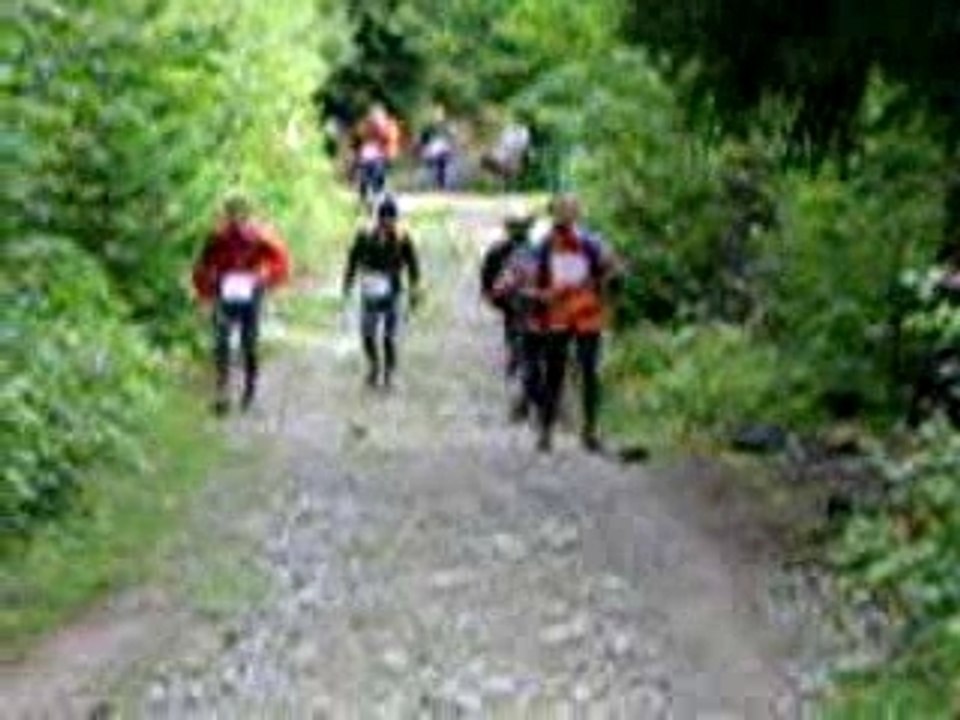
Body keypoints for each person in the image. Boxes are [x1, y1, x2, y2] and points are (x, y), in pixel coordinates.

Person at [529, 193, 620, 452]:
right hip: (557, 315)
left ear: (578, 213)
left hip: (587, 316)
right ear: (555, 214)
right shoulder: (545, 243)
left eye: (571, 210)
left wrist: (602, 290)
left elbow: (612, 270)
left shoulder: (591, 242)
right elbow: (534, 277)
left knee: (589, 372)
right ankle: (546, 431)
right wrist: (537, 304)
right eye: (562, 210)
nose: (567, 214)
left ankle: (590, 430)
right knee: (554, 372)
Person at [192, 195, 291, 415]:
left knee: (249, 344)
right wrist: (205, 289)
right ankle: (222, 391)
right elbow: (202, 264)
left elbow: (280, 261)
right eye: (232, 214)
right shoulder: (217, 237)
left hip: (250, 294)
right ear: (226, 216)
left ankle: (250, 388)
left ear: (248, 215)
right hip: (225, 293)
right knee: (221, 341)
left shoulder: (260, 236)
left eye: (241, 215)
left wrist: (264, 275)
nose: (236, 219)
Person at [342, 196, 421, 389]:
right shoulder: (365, 235)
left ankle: (389, 372)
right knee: (367, 333)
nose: (387, 222)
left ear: (395, 218)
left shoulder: (403, 238)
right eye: (384, 218)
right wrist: (348, 282)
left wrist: (414, 289)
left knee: (389, 336)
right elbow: (353, 259)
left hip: (393, 291)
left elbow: (413, 265)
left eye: (391, 218)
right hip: (370, 290)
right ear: (378, 218)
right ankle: (373, 364)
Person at [481, 206, 537, 418]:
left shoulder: (538, 249)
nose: (519, 231)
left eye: (522, 227)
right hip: (514, 305)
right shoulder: (499, 251)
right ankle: (523, 396)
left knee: (529, 349)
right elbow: (490, 277)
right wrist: (492, 294)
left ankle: (529, 397)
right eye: (516, 227)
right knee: (518, 340)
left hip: (535, 306)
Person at [352, 104, 402, 207]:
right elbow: (357, 140)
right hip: (367, 157)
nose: (375, 119)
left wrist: (381, 130)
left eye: (377, 117)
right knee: (363, 177)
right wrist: (357, 154)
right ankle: (364, 198)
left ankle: (378, 197)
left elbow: (391, 144)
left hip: (382, 157)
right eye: (373, 117)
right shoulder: (365, 125)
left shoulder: (389, 126)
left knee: (377, 174)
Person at [418, 106, 455, 190]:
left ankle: (441, 186)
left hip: (443, 150)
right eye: (436, 114)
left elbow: (451, 137)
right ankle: (432, 185)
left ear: (443, 115)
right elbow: (424, 137)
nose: (437, 116)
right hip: (432, 150)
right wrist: (423, 147)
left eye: (439, 114)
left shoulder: (446, 125)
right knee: (430, 167)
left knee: (442, 168)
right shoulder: (429, 126)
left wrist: (449, 147)